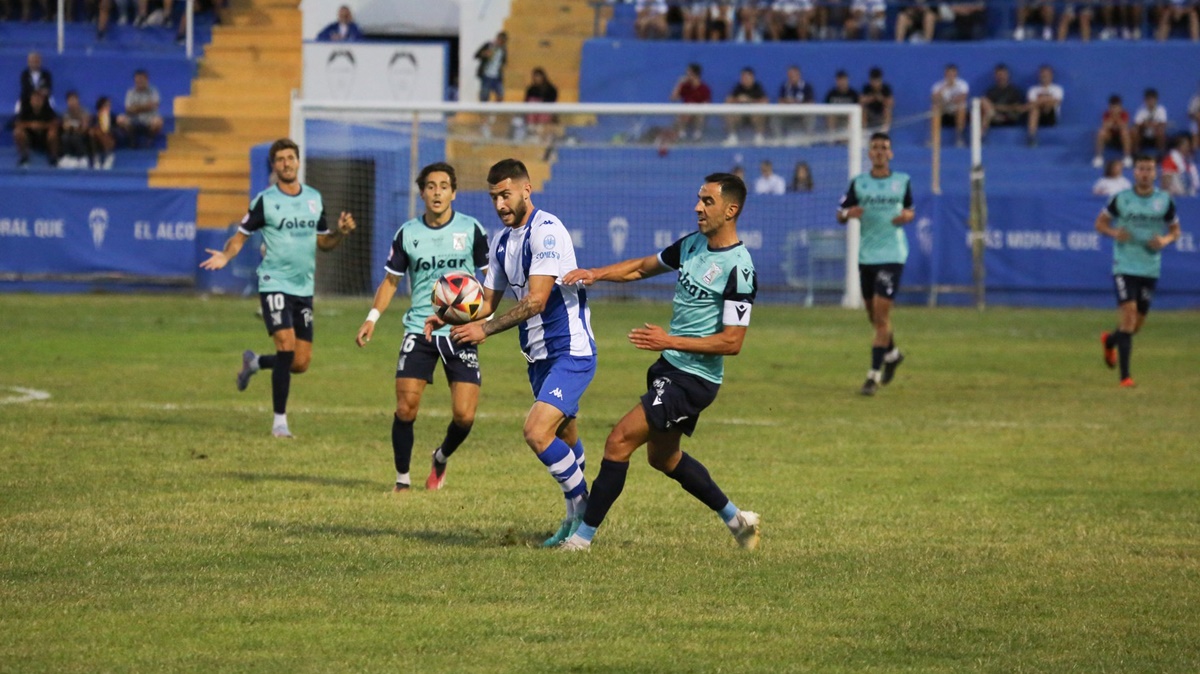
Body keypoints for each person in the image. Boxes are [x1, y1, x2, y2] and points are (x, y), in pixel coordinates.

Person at [557, 172, 761, 552]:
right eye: (699, 199)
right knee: (664, 458)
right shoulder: (692, 246)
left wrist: (669, 340)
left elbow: (732, 343)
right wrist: (595, 274)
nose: (698, 207)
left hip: (694, 377)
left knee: (618, 441)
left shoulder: (739, 267)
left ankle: (581, 540)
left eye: (708, 202)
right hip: (671, 367)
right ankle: (737, 519)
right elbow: (641, 267)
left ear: (731, 210)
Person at [425, 158, 594, 547]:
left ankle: (585, 510)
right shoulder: (501, 240)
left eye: (506, 194)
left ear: (526, 189)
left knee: (536, 432)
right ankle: (571, 520)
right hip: (537, 356)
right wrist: (446, 316)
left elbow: (536, 301)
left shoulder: (546, 231)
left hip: (570, 350)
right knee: (564, 434)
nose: (500, 204)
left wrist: (483, 330)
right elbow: (485, 302)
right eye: (493, 197)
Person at [199, 138, 357, 438]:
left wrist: (340, 233)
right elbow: (240, 236)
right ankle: (279, 423)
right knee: (285, 345)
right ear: (274, 165)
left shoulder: (314, 198)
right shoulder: (265, 201)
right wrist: (226, 254)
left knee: (299, 362)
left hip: (303, 287)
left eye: (290, 157)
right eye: (280, 159)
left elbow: (324, 243)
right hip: (274, 283)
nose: (286, 163)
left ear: (298, 162)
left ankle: (255, 362)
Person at [355, 163, 488, 492]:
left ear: (454, 192)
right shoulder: (408, 233)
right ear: (422, 193)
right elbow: (390, 281)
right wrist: (372, 319)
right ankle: (402, 481)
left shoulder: (472, 230)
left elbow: (491, 280)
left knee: (464, 416)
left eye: (444, 186)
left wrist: (483, 319)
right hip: (420, 330)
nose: (437, 192)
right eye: (431, 186)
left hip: (460, 331)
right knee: (405, 407)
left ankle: (440, 457)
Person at [836, 132, 915, 396]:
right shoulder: (858, 183)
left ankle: (873, 375)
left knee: (881, 317)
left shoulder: (902, 181)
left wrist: (906, 216)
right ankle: (892, 354)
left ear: (890, 153)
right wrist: (849, 213)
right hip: (866, 256)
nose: (880, 151)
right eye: (875, 148)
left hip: (892, 256)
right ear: (869, 153)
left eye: (884, 147)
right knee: (873, 316)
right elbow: (840, 213)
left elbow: (910, 210)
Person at [1095, 155, 1181, 387]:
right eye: (1141, 169)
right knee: (1129, 314)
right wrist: (1114, 233)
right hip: (1124, 264)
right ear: (1135, 173)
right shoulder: (1121, 199)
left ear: (1155, 174)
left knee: (1136, 325)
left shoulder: (1164, 200)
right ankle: (1125, 377)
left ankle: (1110, 340)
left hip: (1150, 266)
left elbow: (1175, 230)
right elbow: (1100, 223)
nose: (1145, 173)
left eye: (1149, 169)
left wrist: (1165, 240)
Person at [723, 67, 769, 147]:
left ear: (752, 78)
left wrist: (750, 100)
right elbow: (728, 100)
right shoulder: (738, 87)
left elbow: (765, 101)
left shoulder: (757, 87)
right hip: (741, 116)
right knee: (729, 114)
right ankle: (732, 136)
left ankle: (759, 137)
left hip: (754, 116)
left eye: (747, 77)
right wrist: (738, 100)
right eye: (743, 77)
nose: (745, 80)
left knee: (760, 114)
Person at [116, 69, 163, 148]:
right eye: (137, 80)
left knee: (158, 122)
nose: (139, 82)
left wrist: (136, 108)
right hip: (133, 119)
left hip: (149, 119)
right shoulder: (130, 92)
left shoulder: (154, 91)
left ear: (147, 80)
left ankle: (149, 139)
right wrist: (145, 107)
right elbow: (128, 109)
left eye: (142, 80)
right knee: (120, 119)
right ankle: (132, 138)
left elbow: (154, 106)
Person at [13, 88, 59, 168]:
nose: (37, 101)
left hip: (44, 137)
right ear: (30, 100)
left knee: (53, 133)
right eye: (34, 99)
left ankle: (53, 158)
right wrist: (31, 125)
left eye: (39, 99)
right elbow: (17, 123)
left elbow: (56, 123)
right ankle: (24, 157)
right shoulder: (25, 110)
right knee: (17, 132)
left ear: (43, 101)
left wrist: (40, 126)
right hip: (30, 137)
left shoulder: (48, 110)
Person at [980, 63, 1026, 138]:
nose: (1001, 77)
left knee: (989, 111)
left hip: (1010, 118)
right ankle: (981, 136)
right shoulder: (991, 91)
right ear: (995, 76)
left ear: (1008, 75)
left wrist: (996, 107)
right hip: (993, 118)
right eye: (999, 75)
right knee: (982, 100)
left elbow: (1017, 108)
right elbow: (985, 105)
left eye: (1003, 74)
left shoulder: (1015, 91)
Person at [671, 62, 712, 140]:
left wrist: (695, 108)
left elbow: (707, 104)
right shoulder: (685, 86)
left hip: (698, 113)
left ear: (694, 74)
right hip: (686, 113)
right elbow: (673, 98)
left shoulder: (704, 88)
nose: (687, 75)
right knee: (685, 110)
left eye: (689, 72)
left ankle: (697, 135)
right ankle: (681, 134)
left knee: (700, 113)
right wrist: (679, 83)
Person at [930, 63, 969, 147]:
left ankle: (959, 137)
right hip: (944, 110)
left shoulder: (962, 84)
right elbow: (934, 99)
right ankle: (935, 139)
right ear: (945, 74)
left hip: (956, 110)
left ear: (956, 73)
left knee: (961, 108)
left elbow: (962, 97)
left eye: (953, 73)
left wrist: (948, 101)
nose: (951, 75)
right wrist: (945, 87)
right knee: (935, 109)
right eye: (949, 73)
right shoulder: (938, 85)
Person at [1026, 65, 1064, 147]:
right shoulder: (1033, 90)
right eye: (1042, 75)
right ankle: (1032, 137)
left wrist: (1041, 101)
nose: (1044, 77)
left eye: (1047, 75)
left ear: (1051, 76)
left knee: (1048, 105)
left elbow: (1057, 101)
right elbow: (1031, 104)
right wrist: (1046, 100)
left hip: (1051, 117)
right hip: (1038, 117)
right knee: (1034, 110)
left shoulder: (1057, 89)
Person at [1093, 94, 1133, 168]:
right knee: (1101, 132)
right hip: (1110, 138)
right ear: (1109, 107)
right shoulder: (1106, 114)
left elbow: (1124, 126)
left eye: (1116, 107)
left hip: (1121, 139)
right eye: (1112, 107)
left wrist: (1117, 119)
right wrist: (1112, 119)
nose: (1114, 109)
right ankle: (1098, 158)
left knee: (1125, 132)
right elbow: (1105, 126)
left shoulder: (1124, 114)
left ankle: (1127, 157)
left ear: (1120, 107)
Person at [522, 67, 558, 142]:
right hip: (533, 113)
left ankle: (541, 132)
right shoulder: (531, 89)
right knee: (532, 103)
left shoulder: (551, 89)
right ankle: (531, 131)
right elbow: (526, 102)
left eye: (538, 76)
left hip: (545, 112)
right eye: (535, 76)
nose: (537, 79)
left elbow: (552, 102)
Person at [58, 91, 91, 169]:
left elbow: (84, 126)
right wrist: (70, 127)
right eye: (70, 100)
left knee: (76, 137)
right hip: (70, 133)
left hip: (82, 133)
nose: (72, 102)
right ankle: (68, 157)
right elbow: (65, 126)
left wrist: (78, 127)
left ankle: (83, 158)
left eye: (74, 100)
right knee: (65, 137)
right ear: (67, 102)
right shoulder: (66, 112)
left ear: (77, 100)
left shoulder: (84, 111)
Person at [824, 69, 860, 138]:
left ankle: (849, 138)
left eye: (843, 80)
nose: (842, 82)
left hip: (847, 118)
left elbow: (858, 109)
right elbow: (826, 109)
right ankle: (832, 138)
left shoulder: (853, 94)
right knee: (831, 116)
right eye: (839, 80)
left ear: (847, 80)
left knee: (852, 117)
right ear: (836, 81)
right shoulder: (831, 94)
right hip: (836, 117)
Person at [1133, 88, 1168, 155]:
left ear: (1156, 100)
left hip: (1155, 135)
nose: (1150, 102)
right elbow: (1137, 124)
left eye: (1152, 100)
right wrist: (1146, 125)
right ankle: (1136, 152)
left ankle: (1161, 153)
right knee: (1134, 131)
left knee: (1161, 131)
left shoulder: (1161, 110)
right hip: (1144, 135)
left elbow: (1163, 124)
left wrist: (1149, 124)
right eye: (1148, 100)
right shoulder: (1141, 110)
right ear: (1145, 101)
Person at [474, 32, 507, 103]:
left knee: (500, 94)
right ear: (497, 38)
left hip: (497, 77)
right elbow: (476, 55)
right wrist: (484, 54)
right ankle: (484, 112)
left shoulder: (503, 50)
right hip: (486, 75)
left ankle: (496, 112)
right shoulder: (488, 45)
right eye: (500, 40)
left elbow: (504, 61)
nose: (500, 42)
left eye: (503, 41)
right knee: (484, 97)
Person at [860, 66, 893, 132]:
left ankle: (884, 131)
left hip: (881, 113)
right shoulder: (867, 88)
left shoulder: (885, 88)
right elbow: (860, 100)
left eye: (877, 81)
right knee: (863, 109)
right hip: (870, 113)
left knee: (887, 109)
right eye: (873, 81)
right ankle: (864, 131)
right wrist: (871, 98)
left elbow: (891, 103)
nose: (875, 83)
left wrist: (881, 99)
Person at [90, 95, 117, 170]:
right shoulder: (94, 118)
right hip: (97, 140)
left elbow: (116, 130)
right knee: (93, 132)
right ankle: (96, 158)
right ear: (100, 107)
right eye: (106, 105)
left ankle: (109, 156)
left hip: (110, 139)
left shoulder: (113, 117)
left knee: (103, 133)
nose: (108, 107)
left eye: (109, 105)